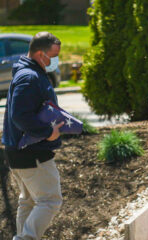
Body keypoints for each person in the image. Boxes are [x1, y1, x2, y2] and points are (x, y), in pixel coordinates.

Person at [2, 32, 64, 240]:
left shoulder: (28, 73)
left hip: (20, 152)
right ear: (40, 53)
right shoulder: (29, 77)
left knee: (27, 201)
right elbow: (20, 116)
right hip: (32, 153)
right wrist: (48, 132)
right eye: (53, 55)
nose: (56, 60)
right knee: (50, 201)